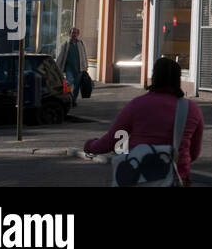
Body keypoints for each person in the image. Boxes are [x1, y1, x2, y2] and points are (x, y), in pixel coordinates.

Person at [83, 57, 204, 186]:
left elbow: (114, 139)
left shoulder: (136, 105)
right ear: (178, 79)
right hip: (177, 178)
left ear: (154, 76)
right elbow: (194, 152)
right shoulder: (191, 109)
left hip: (139, 177)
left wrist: (90, 146)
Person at [56, 27, 89, 105]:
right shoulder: (66, 44)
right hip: (69, 69)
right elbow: (61, 56)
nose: (74, 34)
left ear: (78, 34)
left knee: (76, 86)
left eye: (76, 33)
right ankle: (68, 99)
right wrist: (57, 66)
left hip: (79, 68)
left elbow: (84, 55)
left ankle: (73, 100)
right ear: (70, 34)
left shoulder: (81, 43)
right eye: (72, 33)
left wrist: (86, 66)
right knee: (69, 83)